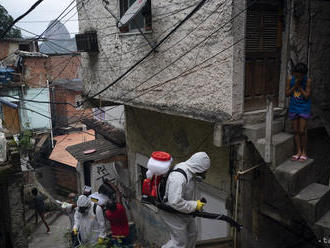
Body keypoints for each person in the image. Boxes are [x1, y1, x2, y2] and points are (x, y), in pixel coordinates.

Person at [160, 152, 210, 248]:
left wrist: (196, 206)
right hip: (171, 212)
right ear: (198, 168)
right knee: (179, 243)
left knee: (192, 234)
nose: (205, 174)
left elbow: (188, 193)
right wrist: (195, 205)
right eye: (204, 171)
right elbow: (175, 202)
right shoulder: (178, 177)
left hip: (183, 210)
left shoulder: (191, 172)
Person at [286, 63, 312, 162]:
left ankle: (304, 152)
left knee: (302, 130)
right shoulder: (290, 79)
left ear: (304, 75)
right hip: (294, 107)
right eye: (296, 75)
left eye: (300, 75)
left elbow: (306, 96)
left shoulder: (308, 81)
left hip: (304, 107)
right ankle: (298, 152)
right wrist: (295, 85)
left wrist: (300, 86)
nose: (298, 77)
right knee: (296, 130)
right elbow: (287, 94)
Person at [105, 182, 130, 247]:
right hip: (125, 233)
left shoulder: (108, 214)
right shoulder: (120, 208)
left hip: (116, 234)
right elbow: (118, 194)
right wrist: (111, 184)